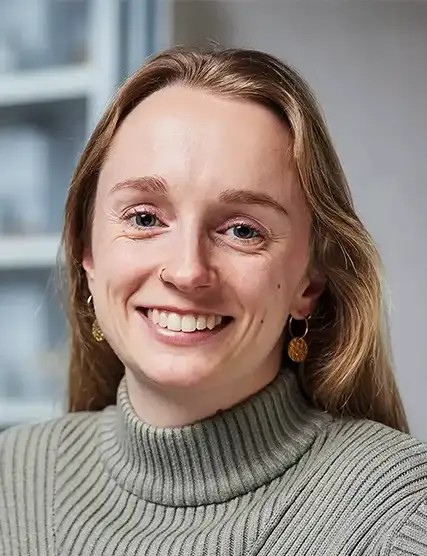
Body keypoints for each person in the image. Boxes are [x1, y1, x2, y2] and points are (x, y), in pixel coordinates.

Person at [0, 46, 426, 556]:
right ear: (87, 252)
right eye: (144, 219)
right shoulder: (9, 478)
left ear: (309, 283)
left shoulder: (402, 518)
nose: (187, 271)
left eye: (243, 230)